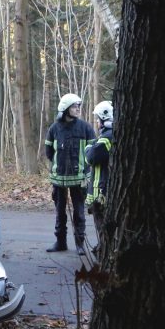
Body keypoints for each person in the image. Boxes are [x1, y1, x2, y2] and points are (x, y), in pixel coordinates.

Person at [45, 93, 96, 255]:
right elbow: (48, 152)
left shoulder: (85, 128)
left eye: (78, 106)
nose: (78, 109)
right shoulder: (54, 129)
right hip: (59, 180)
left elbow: (92, 153)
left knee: (79, 212)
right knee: (60, 213)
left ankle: (80, 244)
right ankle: (61, 243)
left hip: (80, 179)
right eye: (74, 106)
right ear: (65, 109)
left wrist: (85, 170)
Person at [85, 100, 113, 249]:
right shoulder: (109, 135)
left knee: (102, 223)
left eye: (98, 118)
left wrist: (88, 147)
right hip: (105, 189)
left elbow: (91, 157)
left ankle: (104, 249)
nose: (96, 121)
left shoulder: (107, 138)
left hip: (101, 191)